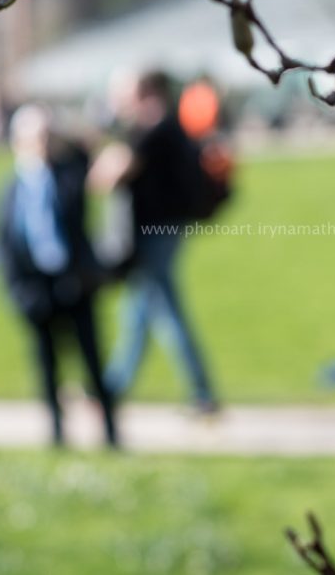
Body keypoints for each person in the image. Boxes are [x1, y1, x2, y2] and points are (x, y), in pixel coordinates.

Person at [91, 70, 218, 413]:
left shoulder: (152, 129)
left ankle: (202, 393)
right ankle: (113, 388)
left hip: (154, 233)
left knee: (164, 311)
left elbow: (106, 176)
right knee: (138, 313)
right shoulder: (164, 127)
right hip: (162, 230)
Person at [0, 105, 118, 447]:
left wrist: (62, 133)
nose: (41, 144)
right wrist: (18, 292)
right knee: (47, 366)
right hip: (37, 289)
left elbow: (87, 150)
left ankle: (110, 432)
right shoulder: (11, 189)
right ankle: (57, 434)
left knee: (93, 363)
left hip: (75, 283)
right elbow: (5, 244)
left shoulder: (69, 175)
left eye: (46, 137)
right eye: (35, 137)